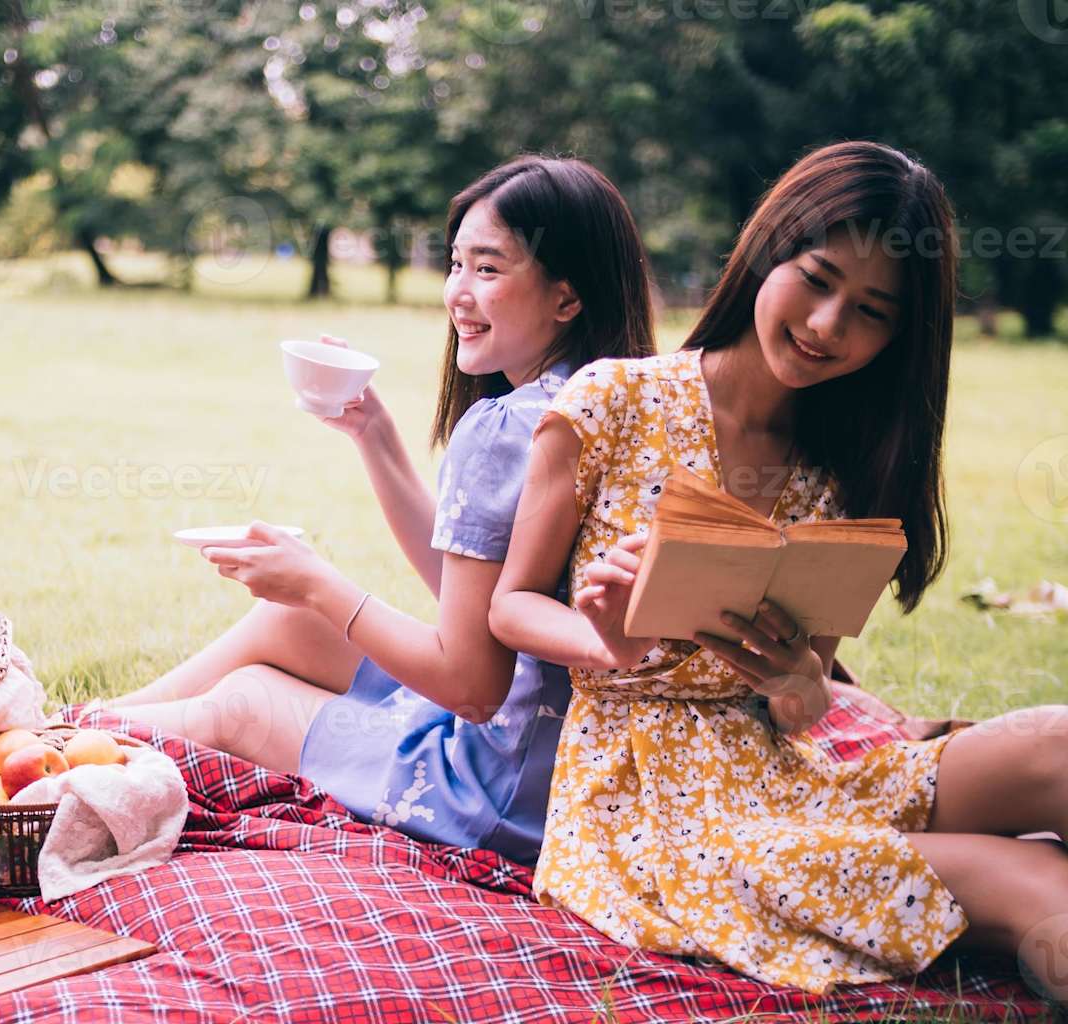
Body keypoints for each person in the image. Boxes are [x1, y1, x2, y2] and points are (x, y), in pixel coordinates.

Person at [489, 140, 1068, 995]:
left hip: (791, 760)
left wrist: (799, 678)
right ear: (768, 250)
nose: (830, 325)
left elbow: (805, 703)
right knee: (1037, 886)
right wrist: (604, 641)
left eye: (872, 311)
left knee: (1056, 742)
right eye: (818, 277)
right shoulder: (611, 401)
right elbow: (509, 607)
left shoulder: (846, 467)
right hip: (650, 805)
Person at [107, 155, 655, 864]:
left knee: (243, 702)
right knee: (287, 620)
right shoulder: (624, 404)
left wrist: (318, 582)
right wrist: (375, 435)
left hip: (495, 793)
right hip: (568, 768)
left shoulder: (507, 428)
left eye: (488, 269)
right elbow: (477, 599)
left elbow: (472, 685)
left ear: (567, 298)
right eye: (456, 264)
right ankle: (79, 726)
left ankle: (47, 748)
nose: (458, 293)